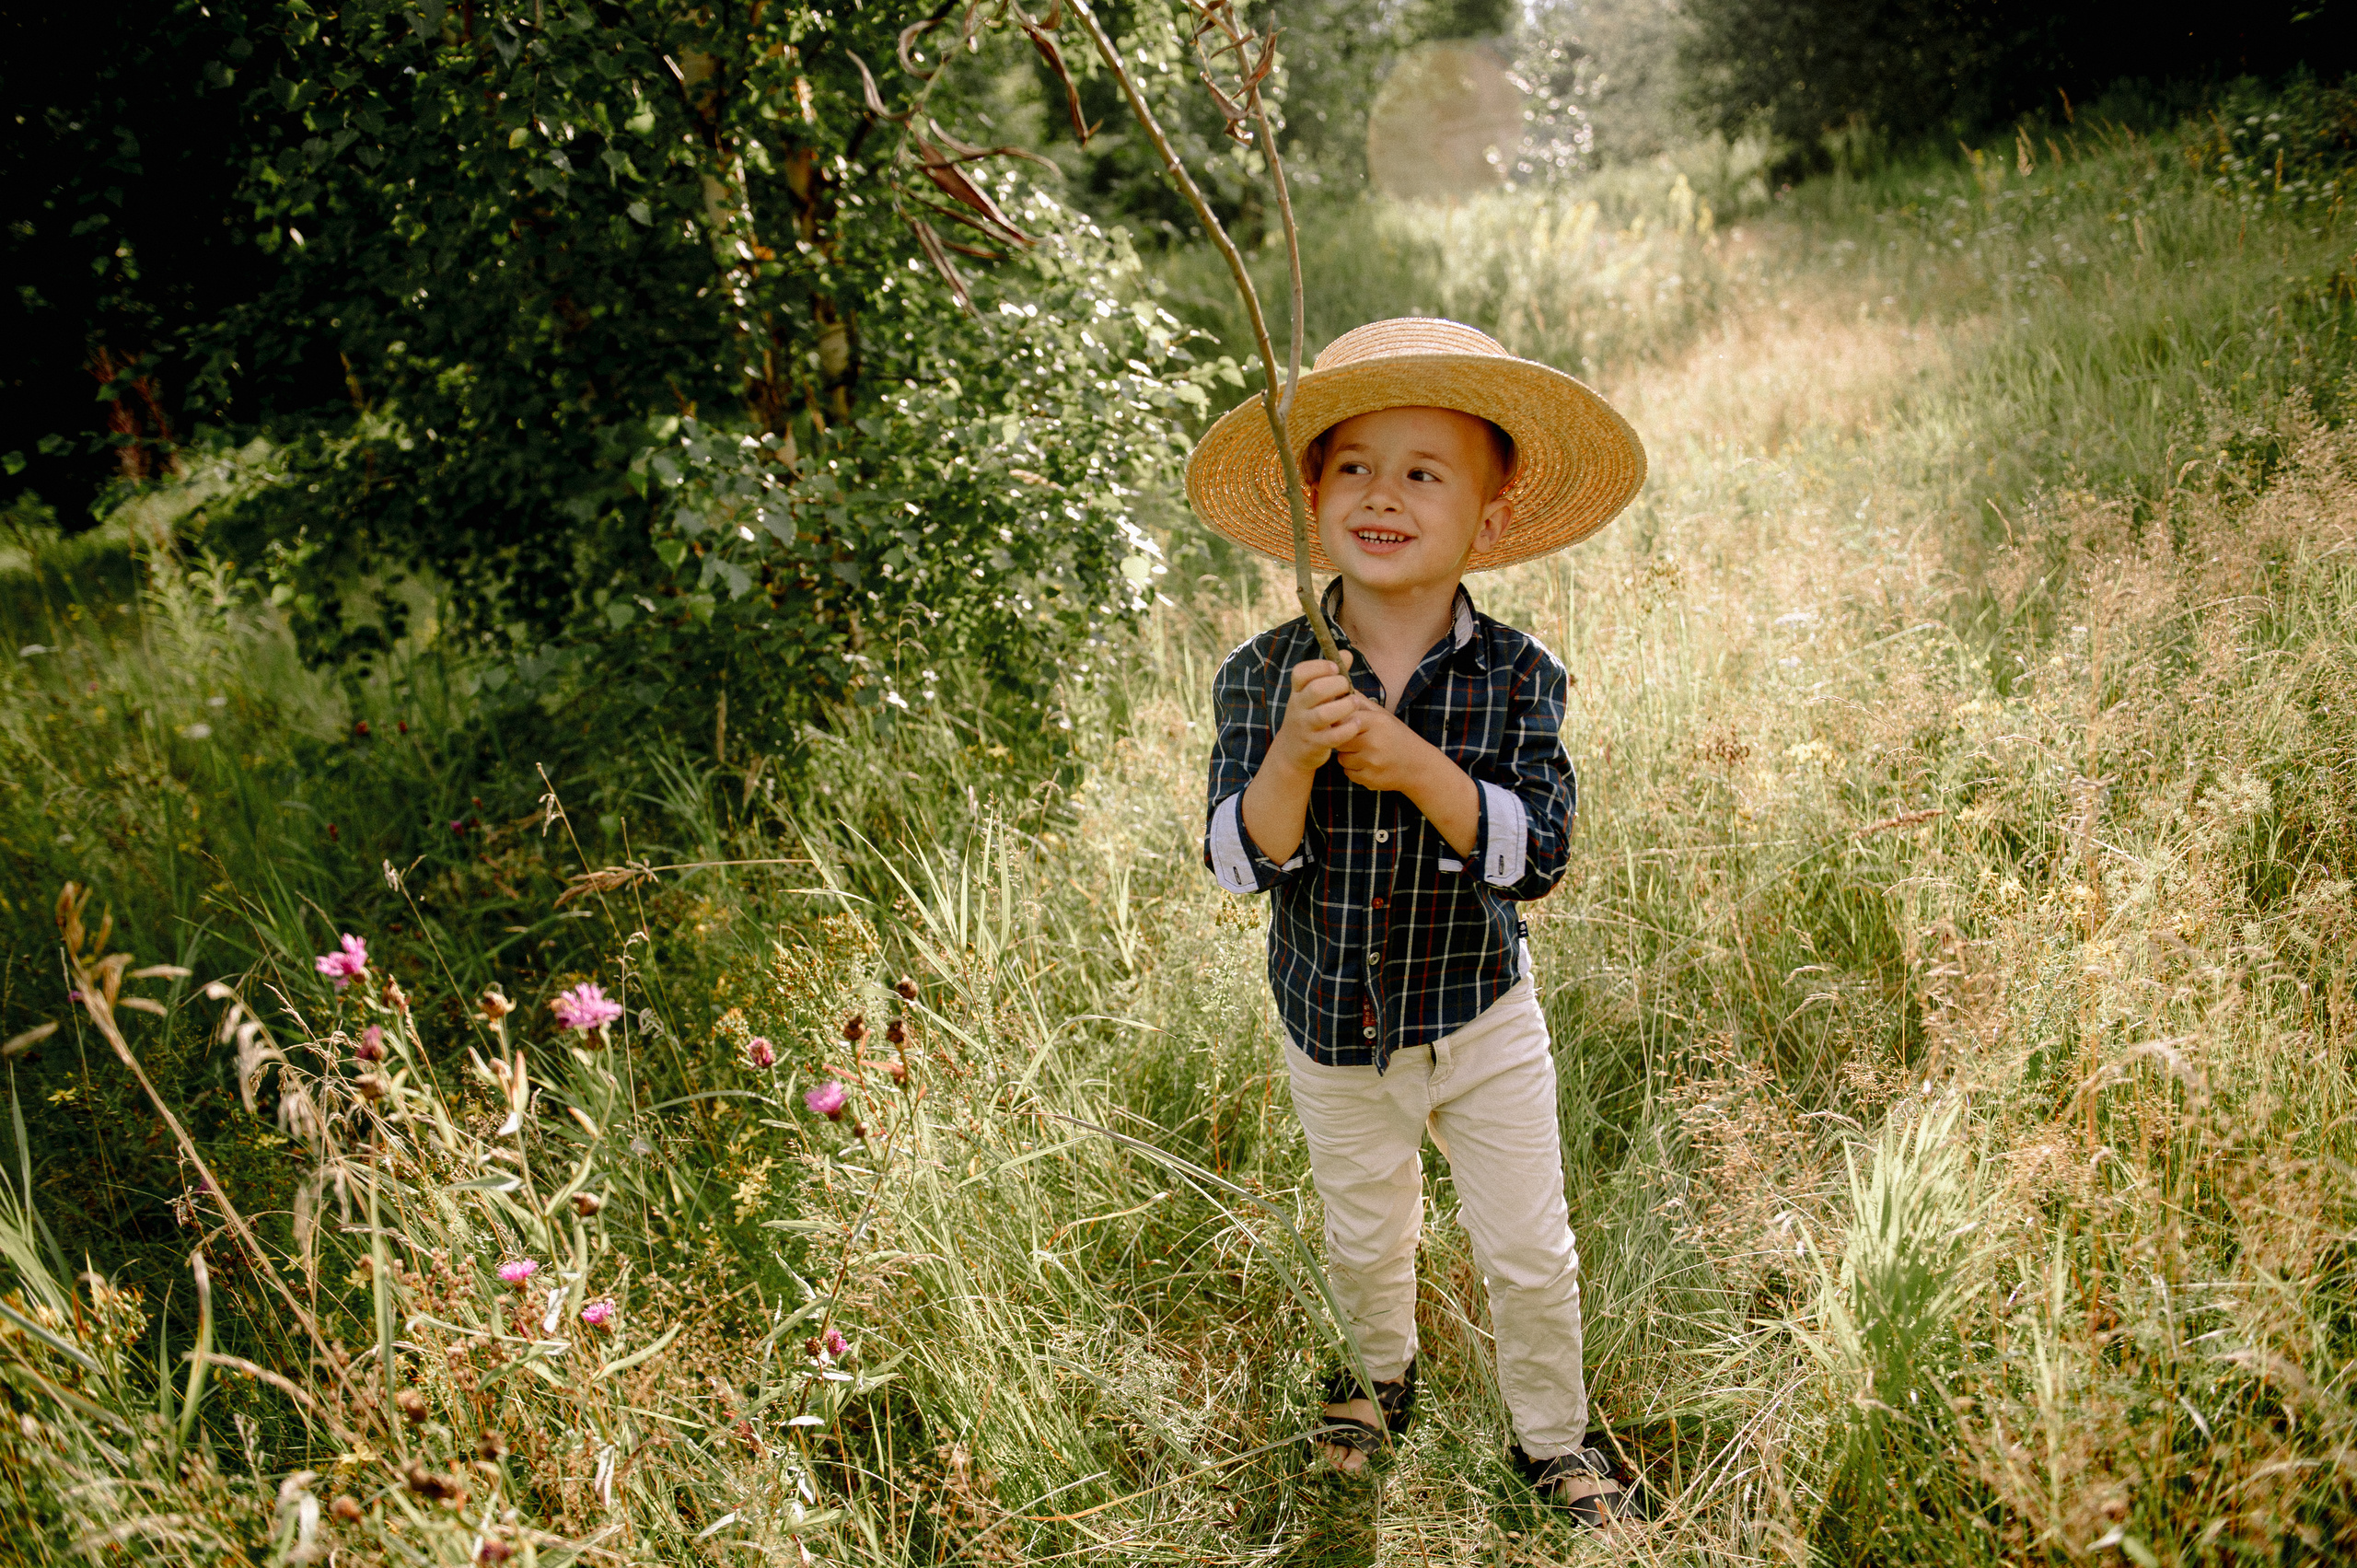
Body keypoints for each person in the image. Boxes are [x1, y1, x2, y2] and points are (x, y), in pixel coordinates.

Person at [1191, 319, 1649, 1526]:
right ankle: (1380, 1376)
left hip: (1481, 1018)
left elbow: (1537, 855)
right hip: (1330, 1023)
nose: (1382, 494)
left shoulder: (1516, 677)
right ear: (1308, 496)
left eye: (1423, 471)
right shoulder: (1263, 674)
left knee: (1529, 1252)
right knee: (1364, 1229)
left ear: (1490, 517)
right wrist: (1295, 751)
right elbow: (1240, 866)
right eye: (1354, 466)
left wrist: (1411, 763)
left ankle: (1553, 1439)